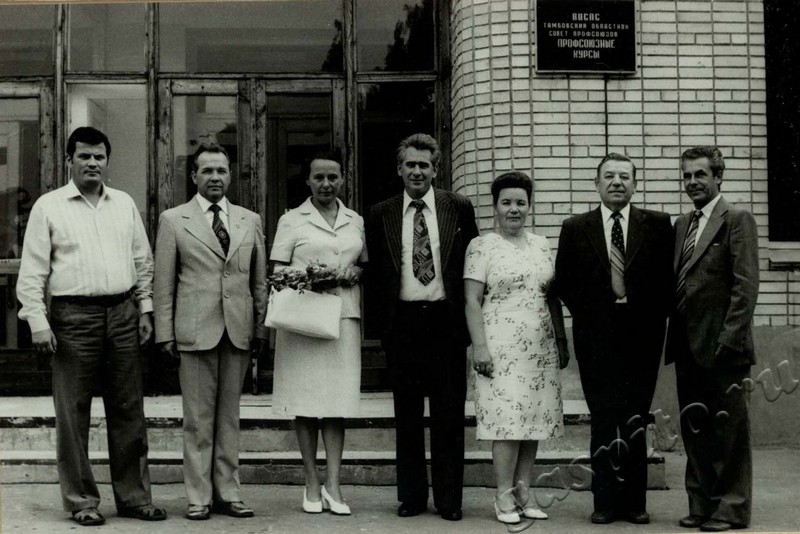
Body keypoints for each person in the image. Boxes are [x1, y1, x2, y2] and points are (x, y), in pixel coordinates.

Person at [16, 126, 166, 526]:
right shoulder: (49, 207)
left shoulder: (124, 204)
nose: (93, 163)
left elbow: (142, 262)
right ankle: (81, 500)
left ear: (107, 161)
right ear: (70, 160)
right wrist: (37, 321)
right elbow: (33, 271)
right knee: (72, 413)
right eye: (84, 156)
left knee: (128, 410)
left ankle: (134, 498)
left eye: (99, 156)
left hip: (122, 314)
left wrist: (145, 310)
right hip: (72, 318)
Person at [555, 153, 673, 525]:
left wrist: (646, 315)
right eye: (609, 176)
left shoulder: (658, 224)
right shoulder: (576, 227)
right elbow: (564, 281)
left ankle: (634, 503)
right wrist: (595, 314)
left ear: (635, 184)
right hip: (596, 338)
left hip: (642, 337)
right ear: (597, 183)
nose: (617, 182)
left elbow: (667, 281)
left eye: (624, 176)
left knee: (636, 418)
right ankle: (604, 501)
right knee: (604, 419)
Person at [366, 133, 479, 522]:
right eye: (410, 164)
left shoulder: (458, 207)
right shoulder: (380, 212)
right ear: (399, 169)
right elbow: (376, 274)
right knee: (408, 415)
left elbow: (473, 263)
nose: (417, 171)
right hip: (404, 323)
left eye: (424, 165)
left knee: (449, 415)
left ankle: (449, 499)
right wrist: (382, 327)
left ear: (436, 169)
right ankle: (412, 496)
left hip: (446, 322)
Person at [153, 142, 268, 520]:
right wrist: (164, 333)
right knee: (198, 420)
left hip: (238, 330)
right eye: (207, 171)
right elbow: (163, 284)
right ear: (193, 176)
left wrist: (261, 328)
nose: (214, 177)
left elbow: (259, 281)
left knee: (229, 418)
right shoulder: (174, 220)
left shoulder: (249, 220)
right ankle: (199, 496)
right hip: (195, 331)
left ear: (230, 175)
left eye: (221, 170)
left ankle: (228, 492)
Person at [463, 171, 569, 525]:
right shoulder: (482, 246)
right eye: (506, 202)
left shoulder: (541, 244)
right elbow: (472, 300)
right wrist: (480, 348)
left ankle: (524, 492)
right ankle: (503, 496)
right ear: (495, 207)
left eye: (520, 203)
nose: (514, 209)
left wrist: (561, 340)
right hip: (500, 347)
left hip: (540, 346)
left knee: (533, 422)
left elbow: (551, 296)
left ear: (529, 206)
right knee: (507, 423)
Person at [664, 146, 759, 533]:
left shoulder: (737, 219)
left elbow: (745, 286)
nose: (692, 183)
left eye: (700, 175)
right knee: (695, 429)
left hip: (724, 348)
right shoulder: (683, 224)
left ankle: (731, 509)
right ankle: (701, 504)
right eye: (686, 176)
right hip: (687, 345)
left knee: (729, 432)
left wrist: (729, 340)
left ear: (718, 177)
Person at [269, 148, 366, 516]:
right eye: (319, 177)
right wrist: (313, 278)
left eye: (333, 177)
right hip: (305, 320)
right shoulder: (292, 220)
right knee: (306, 403)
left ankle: (334, 484)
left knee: (337, 404)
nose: (326, 184)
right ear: (308, 180)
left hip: (343, 318)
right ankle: (311, 481)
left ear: (342, 179)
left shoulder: (355, 220)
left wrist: (355, 272)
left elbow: (362, 265)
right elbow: (277, 273)